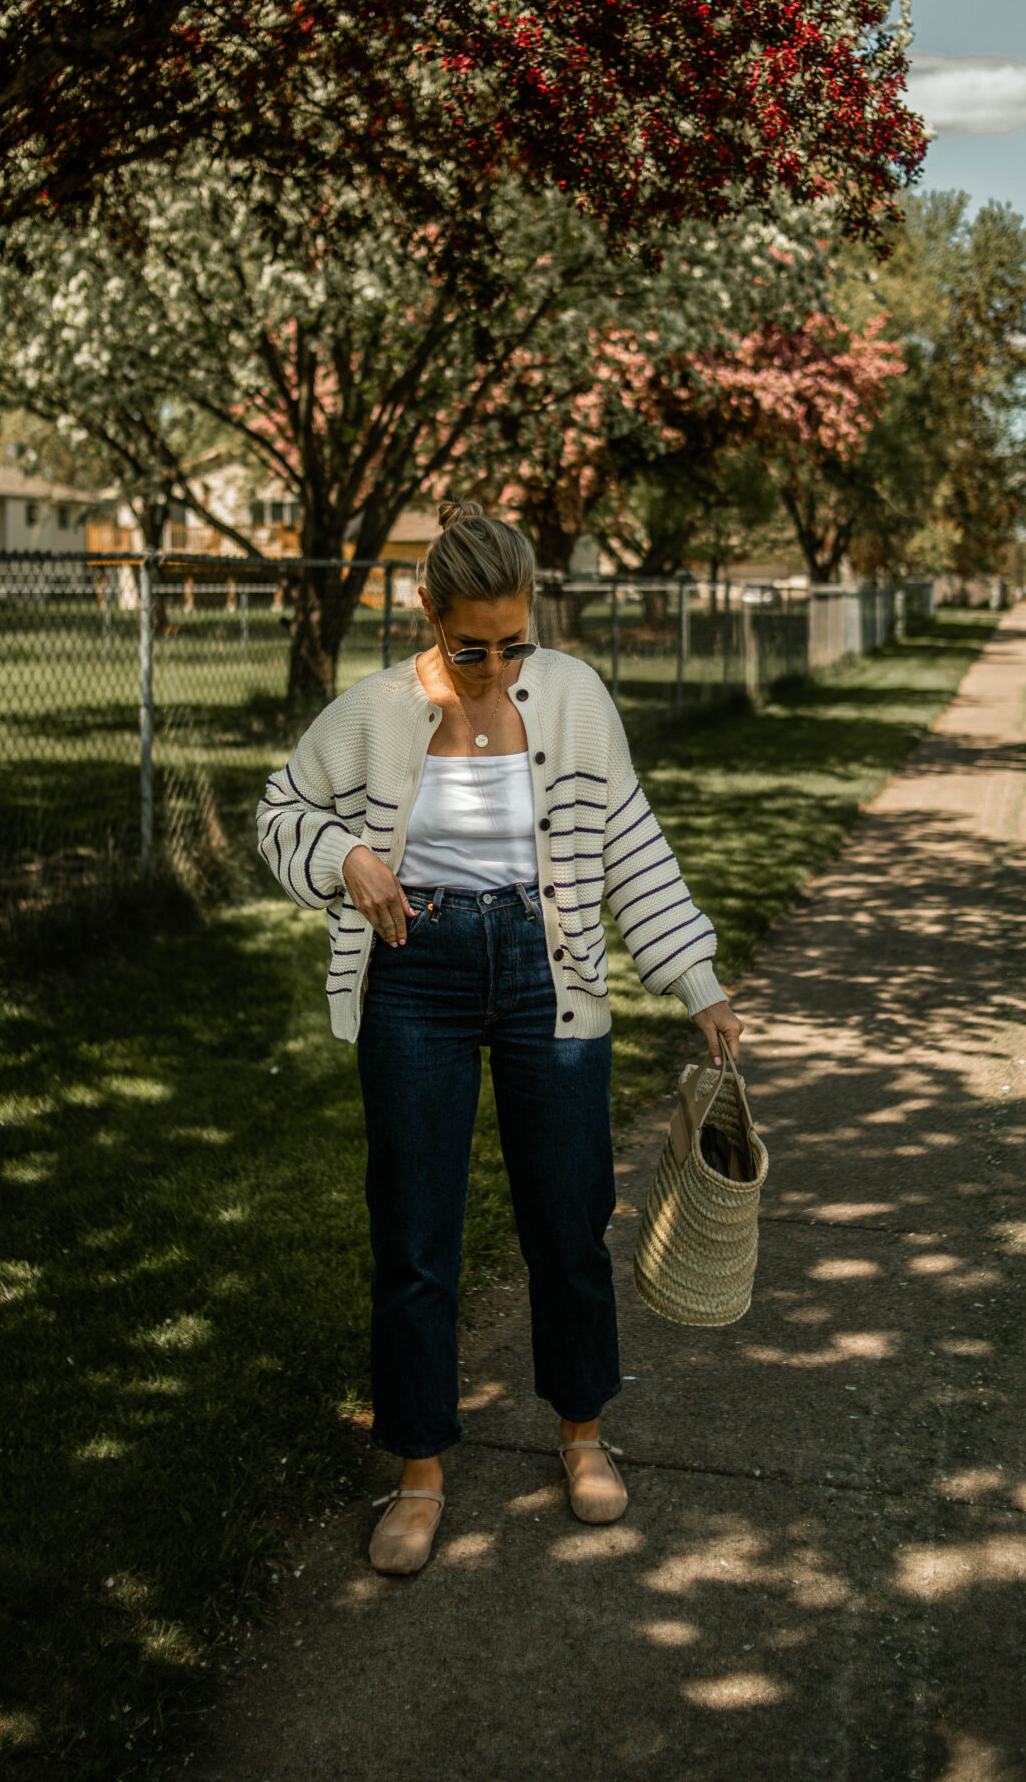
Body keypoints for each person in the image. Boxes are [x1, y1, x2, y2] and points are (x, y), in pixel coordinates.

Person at [256, 502, 743, 1576]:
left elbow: (628, 837)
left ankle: (582, 1435)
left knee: (568, 1220)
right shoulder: (374, 711)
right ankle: (420, 1469)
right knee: (415, 1233)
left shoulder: (571, 697)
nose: (491, 664)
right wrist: (346, 859)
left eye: (512, 643)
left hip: (546, 975)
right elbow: (281, 810)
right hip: (413, 975)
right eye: (470, 644)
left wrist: (695, 980)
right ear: (427, 613)